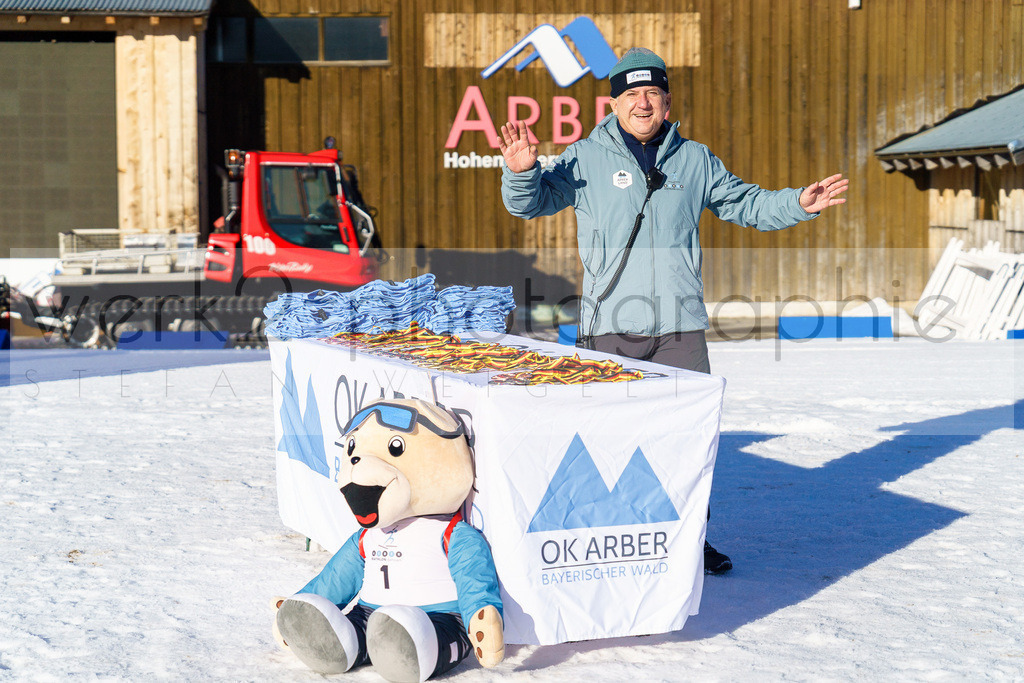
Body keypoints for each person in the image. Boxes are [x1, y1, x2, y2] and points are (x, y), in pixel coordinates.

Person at [498, 47, 848, 575]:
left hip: (680, 327)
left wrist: (798, 202)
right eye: (631, 94)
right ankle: (609, 537)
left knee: (686, 440)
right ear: (612, 103)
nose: (643, 103)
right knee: (608, 438)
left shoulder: (695, 159)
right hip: (610, 325)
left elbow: (746, 204)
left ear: (666, 100)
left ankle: (689, 537)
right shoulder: (584, 157)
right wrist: (522, 173)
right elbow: (530, 203)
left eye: (653, 93)